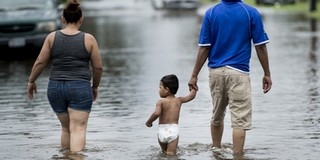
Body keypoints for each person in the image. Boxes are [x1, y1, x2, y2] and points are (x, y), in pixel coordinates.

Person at [188, 0, 272, 157]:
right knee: (239, 121)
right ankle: (238, 156)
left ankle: (216, 152)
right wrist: (266, 73)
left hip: (216, 72)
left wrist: (194, 75)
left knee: (217, 115)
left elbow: (204, 47)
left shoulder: (211, 13)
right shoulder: (251, 12)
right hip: (239, 73)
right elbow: (260, 45)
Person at [27, 0, 102, 153]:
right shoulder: (89, 39)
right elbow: (98, 67)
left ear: (63, 19)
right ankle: (76, 157)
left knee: (66, 128)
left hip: (55, 88)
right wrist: (94, 86)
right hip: (79, 87)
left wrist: (31, 81)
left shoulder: (51, 37)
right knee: (78, 129)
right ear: (81, 19)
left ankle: (65, 156)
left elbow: (40, 62)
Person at [145, 74, 197, 156]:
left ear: (166, 90)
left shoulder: (161, 101)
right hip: (173, 131)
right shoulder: (179, 100)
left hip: (162, 131)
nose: (159, 90)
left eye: (160, 87)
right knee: (171, 154)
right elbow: (191, 96)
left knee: (164, 153)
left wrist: (149, 122)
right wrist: (193, 87)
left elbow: (156, 113)